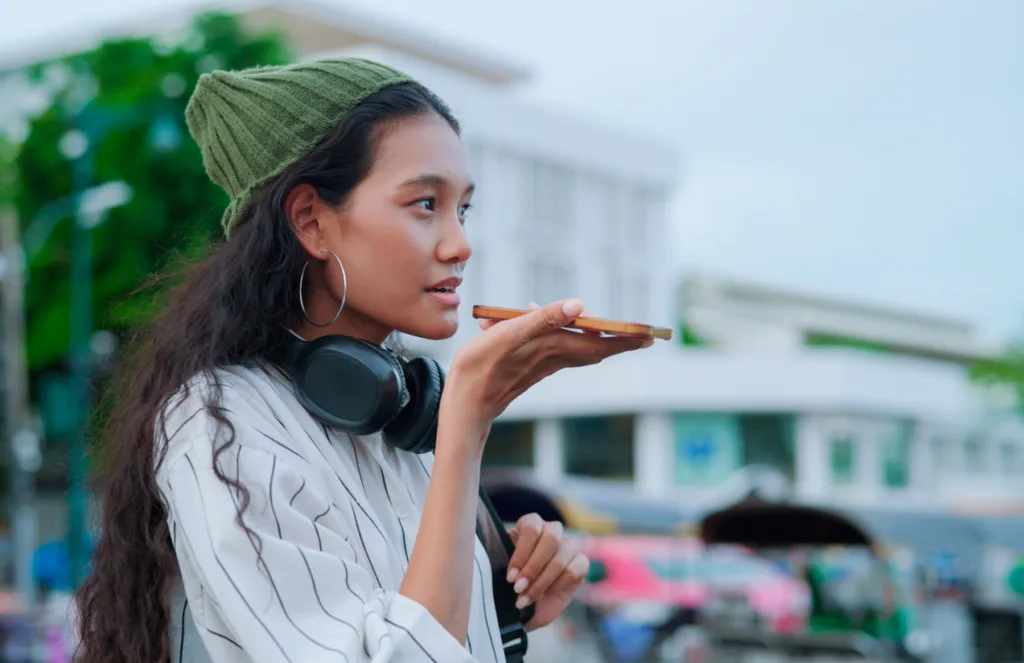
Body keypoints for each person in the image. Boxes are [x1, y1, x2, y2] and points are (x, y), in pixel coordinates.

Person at [72, 57, 651, 663]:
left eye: (463, 209)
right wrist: (466, 424)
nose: (460, 243)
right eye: (425, 203)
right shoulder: (221, 427)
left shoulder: (402, 419)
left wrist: (506, 606)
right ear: (312, 222)